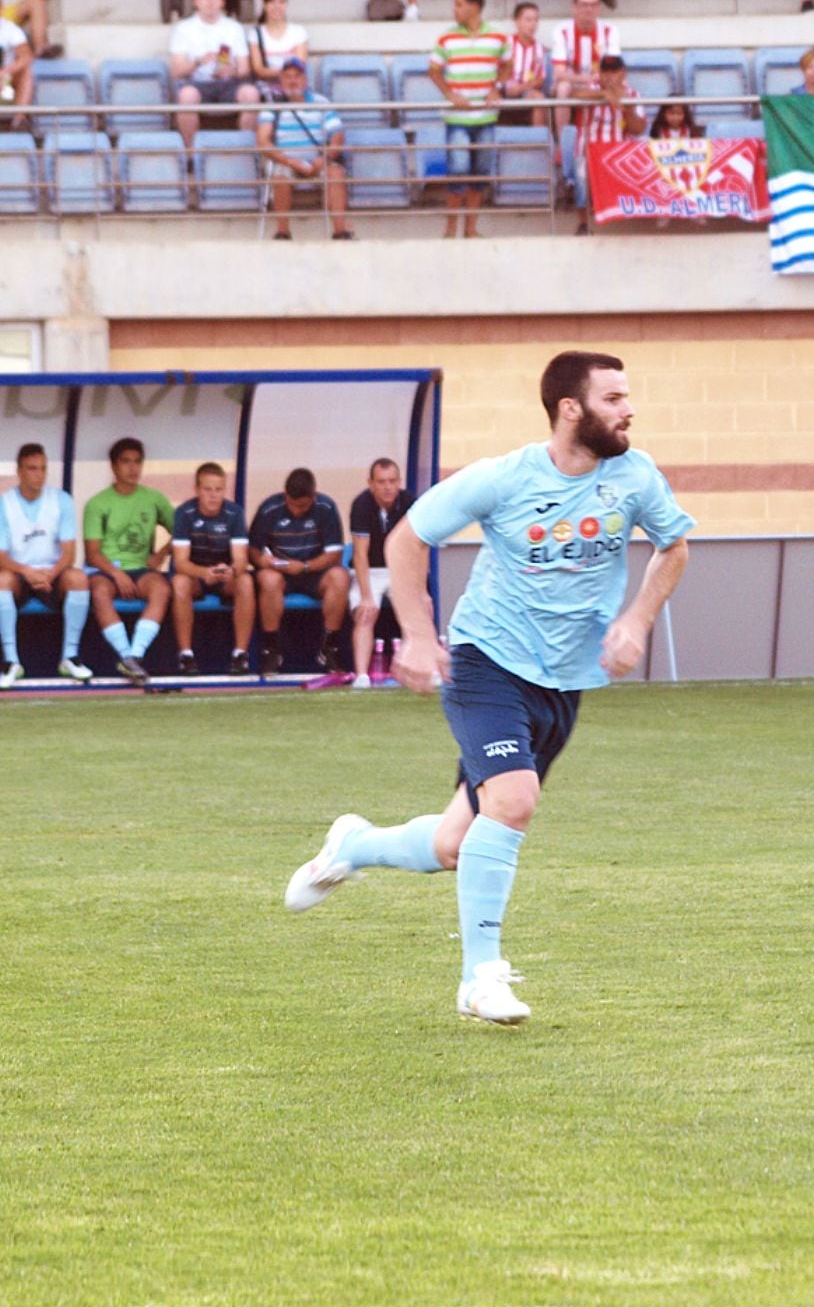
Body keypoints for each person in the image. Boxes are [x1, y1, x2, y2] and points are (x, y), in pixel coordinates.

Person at [283, 350, 693, 1027]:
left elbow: (673, 545)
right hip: (487, 661)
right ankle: (481, 979)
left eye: (627, 397)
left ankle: (352, 846)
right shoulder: (504, 478)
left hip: (564, 681)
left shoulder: (636, 477)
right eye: (614, 398)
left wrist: (637, 619)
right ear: (571, 409)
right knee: (514, 798)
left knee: (454, 845)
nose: (629, 410)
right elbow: (410, 538)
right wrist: (417, 636)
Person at [84, 437, 175, 686]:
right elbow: (92, 553)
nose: (133, 468)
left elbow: (184, 532)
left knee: (162, 588)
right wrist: (116, 573)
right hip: (107, 570)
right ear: (113, 467)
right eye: (126, 462)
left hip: (141, 571)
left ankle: (135, 656)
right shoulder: (98, 503)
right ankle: (125, 654)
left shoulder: (154, 499)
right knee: (99, 591)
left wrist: (162, 552)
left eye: (137, 462)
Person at [0, 443, 91, 686]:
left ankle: (70, 657)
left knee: (78, 578)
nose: (38, 475)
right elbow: (1, 556)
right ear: (19, 471)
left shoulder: (61, 500)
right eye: (32, 469)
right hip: (20, 574)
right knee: (1, 580)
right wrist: (27, 572)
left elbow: (69, 552)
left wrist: (50, 574)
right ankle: (10, 661)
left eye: (43, 469)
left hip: (52, 575)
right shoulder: (4, 504)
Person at [248, 466, 348, 675]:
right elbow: (253, 551)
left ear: (313, 496)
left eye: (302, 506)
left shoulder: (326, 507)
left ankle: (329, 648)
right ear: (286, 496)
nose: (296, 510)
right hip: (281, 573)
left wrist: (304, 567)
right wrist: (264, 561)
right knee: (267, 579)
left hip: (314, 572)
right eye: (292, 504)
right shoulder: (269, 509)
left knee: (340, 577)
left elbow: (334, 555)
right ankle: (271, 650)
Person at [429, 0, 510, 241]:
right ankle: (451, 228)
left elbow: (507, 65)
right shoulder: (446, 37)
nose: (455, 9)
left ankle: (470, 228)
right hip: (457, 118)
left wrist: (497, 87)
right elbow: (433, 70)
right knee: (458, 171)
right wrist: (449, 93)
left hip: (485, 117)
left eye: (459, 4)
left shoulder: (498, 37)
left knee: (480, 173)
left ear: (475, 7)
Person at [169, 461, 254, 676]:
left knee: (245, 581)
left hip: (224, 576)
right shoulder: (184, 513)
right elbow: (180, 562)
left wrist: (231, 571)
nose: (213, 495)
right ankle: (186, 655)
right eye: (207, 489)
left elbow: (241, 559)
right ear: (197, 490)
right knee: (179, 582)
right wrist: (203, 573)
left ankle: (240, 654)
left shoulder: (234, 513)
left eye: (218, 490)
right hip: (195, 576)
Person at [256, 57, 354, 241]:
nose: (293, 81)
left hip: (318, 160)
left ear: (305, 80)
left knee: (335, 173)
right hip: (286, 160)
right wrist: (290, 161)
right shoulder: (272, 105)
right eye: (287, 77)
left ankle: (340, 233)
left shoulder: (321, 102)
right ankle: (283, 233)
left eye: (298, 76)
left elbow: (337, 136)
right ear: (281, 81)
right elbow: (263, 141)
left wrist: (324, 159)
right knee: (280, 177)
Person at [347, 456, 414, 690]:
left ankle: (416, 670)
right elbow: (360, 554)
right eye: (381, 481)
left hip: (401, 569)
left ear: (399, 482)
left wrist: (417, 589)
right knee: (365, 613)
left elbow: (419, 548)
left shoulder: (410, 502)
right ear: (371, 483)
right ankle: (362, 675)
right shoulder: (361, 505)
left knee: (416, 610)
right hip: (370, 570)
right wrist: (366, 596)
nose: (387, 487)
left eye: (392, 481)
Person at [170, 0, 262, 149]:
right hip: (197, 84)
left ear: (222, 1)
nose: (210, 2)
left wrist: (231, 71)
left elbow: (244, 69)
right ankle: (192, 156)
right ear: (196, 1)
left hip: (229, 84)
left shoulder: (234, 28)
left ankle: (247, 152)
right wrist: (198, 62)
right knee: (186, 96)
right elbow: (176, 71)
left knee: (251, 93)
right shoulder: (183, 29)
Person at [570, 54, 644, 232]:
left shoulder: (633, 94)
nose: (610, 76)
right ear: (600, 73)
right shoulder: (591, 88)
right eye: (606, 72)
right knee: (580, 168)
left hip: (619, 150)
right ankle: (583, 223)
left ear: (623, 73)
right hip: (589, 148)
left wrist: (628, 107)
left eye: (615, 72)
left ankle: (627, 217)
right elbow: (574, 94)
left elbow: (638, 129)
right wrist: (603, 94)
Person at [551, 0, 619, 127]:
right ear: (574, 7)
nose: (589, 9)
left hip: (601, 81)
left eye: (593, 5)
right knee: (563, 88)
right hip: (573, 83)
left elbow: (614, 68)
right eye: (584, 5)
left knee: (621, 86)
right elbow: (559, 73)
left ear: (599, 7)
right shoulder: (562, 30)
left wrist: (600, 79)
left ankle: (611, 138)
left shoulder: (610, 30)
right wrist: (587, 79)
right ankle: (562, 144)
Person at [247, 0, 308, 102]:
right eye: (272, 2)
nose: (276, 6)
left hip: (293, 83)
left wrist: (283, 74)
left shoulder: (298, 32)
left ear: (286, 5)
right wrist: (286, 72)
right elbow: (259, 70)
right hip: (267, 85)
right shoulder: (255, 34)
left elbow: (300, 65)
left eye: (281, 2)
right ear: (265, 5)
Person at [500, 0, 550, 129]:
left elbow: (540, 79)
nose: (533, 25)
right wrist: (506, 86)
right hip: (503, 90)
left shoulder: (539, 49)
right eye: (528, 20)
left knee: (539, 98)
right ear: (517, 22)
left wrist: (520, 88)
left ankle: (538, 141)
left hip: (525, 90)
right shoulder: (505, 44)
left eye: (536, 20)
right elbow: (494, 71)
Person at [0, 13, 32, 126]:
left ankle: (19, 121)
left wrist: (5, 72)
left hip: (5, 81)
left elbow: (26, 56)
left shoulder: (9, 29)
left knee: (26, 72)